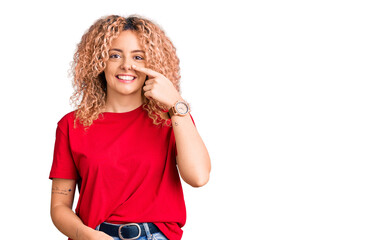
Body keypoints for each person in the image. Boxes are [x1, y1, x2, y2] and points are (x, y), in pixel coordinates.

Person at [49, 14, 211, 240]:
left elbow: (198, 177)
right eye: (115, 55)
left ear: (152, 64)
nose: (127, 65)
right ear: (99, 61)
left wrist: (176, 103)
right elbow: (59, 207)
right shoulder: (71, 125)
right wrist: (88, 236)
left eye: (138, 57)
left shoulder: (172, 117)